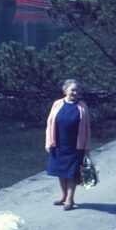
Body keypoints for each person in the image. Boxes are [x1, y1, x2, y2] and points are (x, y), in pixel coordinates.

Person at [45, 78, 91, 210]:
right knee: (61, 172)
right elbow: (49, 124)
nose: (75, 93)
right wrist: (48, 142)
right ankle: (63, 196)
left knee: (71, 173)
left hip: (75, 146)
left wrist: (86, 148)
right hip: (58, 144)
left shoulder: (82, 107)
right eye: (72, 90)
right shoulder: (57, 104)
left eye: (77, 90)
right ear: (65, 90)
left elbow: (87, 128)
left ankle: (70, 199)